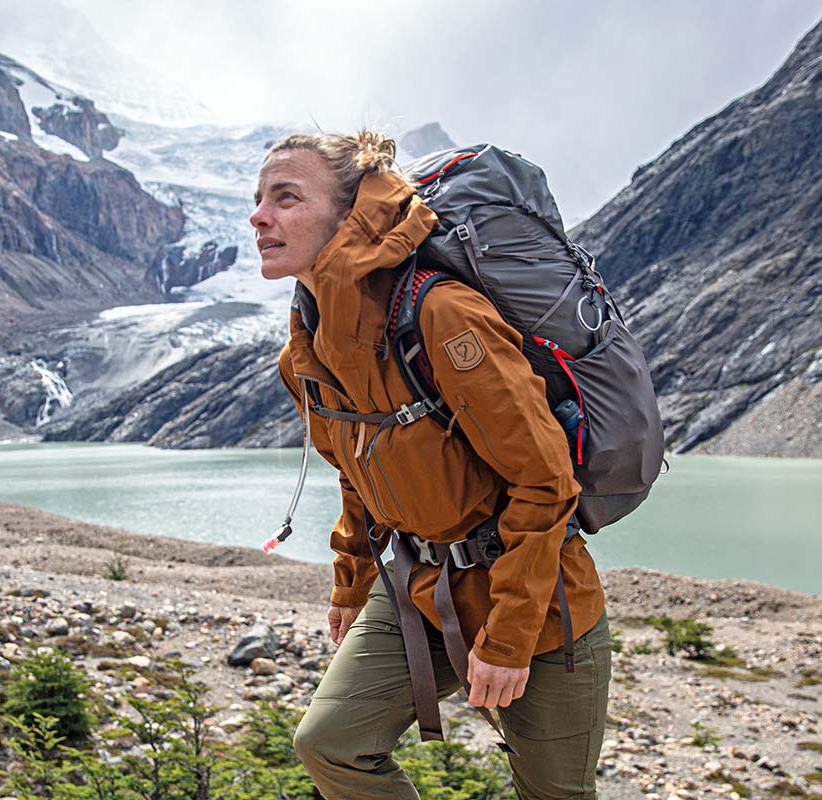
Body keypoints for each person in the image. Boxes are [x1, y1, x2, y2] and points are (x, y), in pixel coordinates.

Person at [250, 130, 611, 800]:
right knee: (330, 744)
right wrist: (352, 576)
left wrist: (506, 641)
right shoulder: (305, 351)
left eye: (286, 197)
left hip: (539, 602)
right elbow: (357, 470)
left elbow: (546, 477)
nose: (259, 216)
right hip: (419, 584)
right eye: (258, 199)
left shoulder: (441, 315)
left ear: (347, 212)